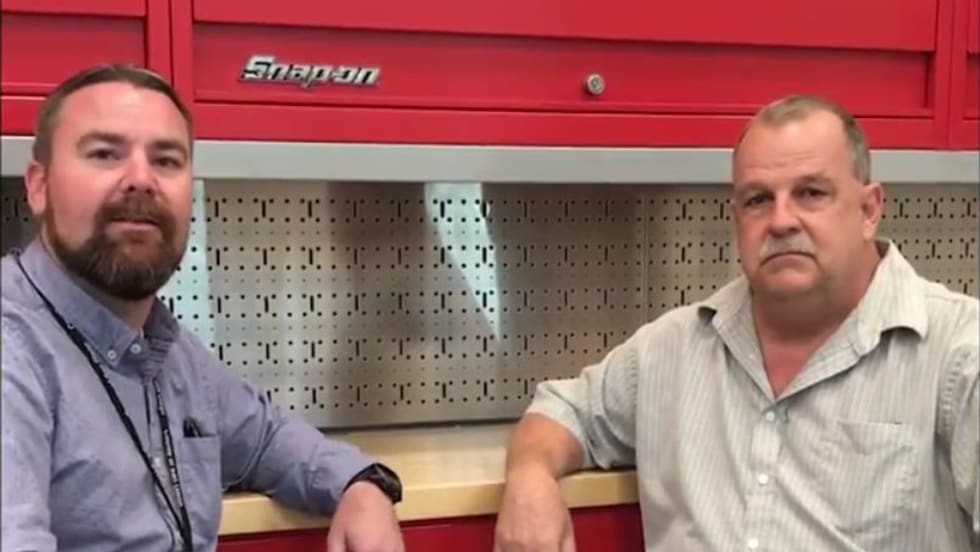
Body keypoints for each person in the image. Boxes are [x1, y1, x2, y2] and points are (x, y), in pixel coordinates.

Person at [493, 95, 979, 551]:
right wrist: (529, 477)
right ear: (736, 220)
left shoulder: (958, 356)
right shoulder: (672, 349)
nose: (781, 220)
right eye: (758, 200)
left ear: (869, 210)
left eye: (811, 193)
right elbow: (564, 411)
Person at [1, 64, 405, 552]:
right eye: (105, 153)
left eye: (166, 160)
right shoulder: (14, 351)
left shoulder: (166, 352)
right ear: (39, 186)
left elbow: (268, 438)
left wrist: (362, 486)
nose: (141, 179)